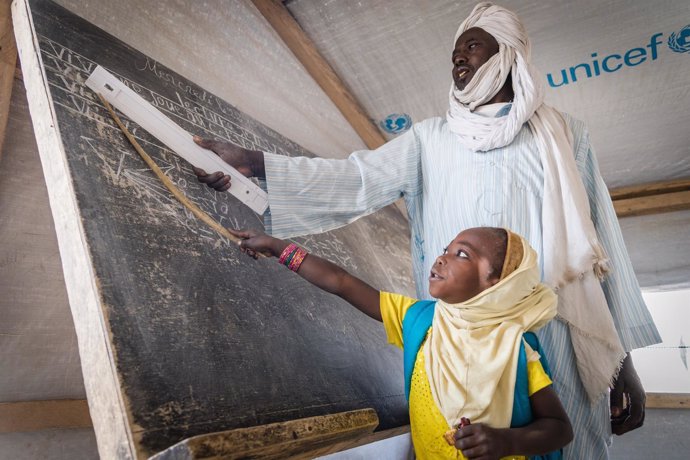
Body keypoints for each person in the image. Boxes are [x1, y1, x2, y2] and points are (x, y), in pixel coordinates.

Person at [193, 3, 660, 458]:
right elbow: (354, 180)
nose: (459, 58)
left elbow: (600, 248)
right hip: (455, 338)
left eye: (473, 47)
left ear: (508, 56)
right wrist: (254, 164)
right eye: (456, 51)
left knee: (563, 437)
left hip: (554, 333)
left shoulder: (565, 134)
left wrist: (623, 362)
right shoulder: (429, 139)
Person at [229, 225, 573, 459]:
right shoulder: (420, 319)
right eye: (445, 250)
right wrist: (278, 248)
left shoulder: (515, 347)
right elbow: (342, 282)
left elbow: (559, 428)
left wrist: (506, 440)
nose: (441, 259)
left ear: (497, 283)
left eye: (462, 255)